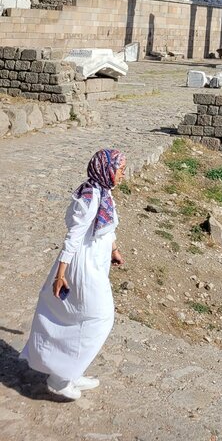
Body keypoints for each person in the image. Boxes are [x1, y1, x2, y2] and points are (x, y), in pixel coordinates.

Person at [20, 148, 127, 400]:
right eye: (120, 169)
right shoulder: (90, 197)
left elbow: (106, 228)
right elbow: (74, 237)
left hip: (96, 263)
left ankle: (71, 371)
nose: (123, 175)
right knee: (99, 318)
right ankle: (59, 378)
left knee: (82, 318)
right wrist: (61, 274)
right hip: (82, 266)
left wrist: (114, 249)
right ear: (107, 169)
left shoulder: (104, 192)